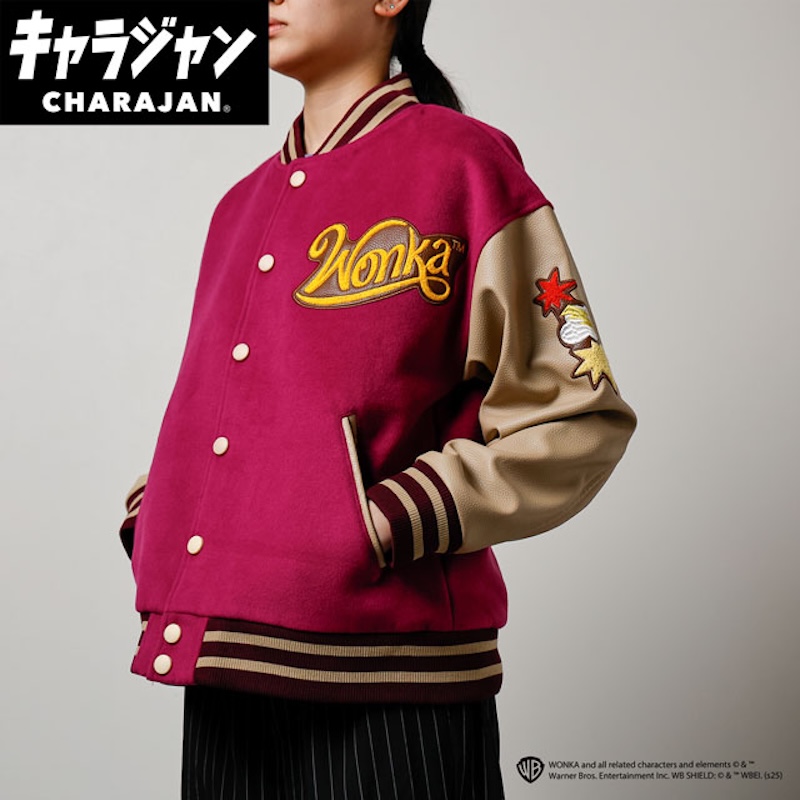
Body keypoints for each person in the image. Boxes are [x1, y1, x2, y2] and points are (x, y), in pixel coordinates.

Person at [118, 1, 637, 797]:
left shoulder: (464, 164)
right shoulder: (237, 207)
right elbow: (227, 411)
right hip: (221, 659)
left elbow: (577, 414)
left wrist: (384, 519)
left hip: (392, 676)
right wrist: (157, 513)